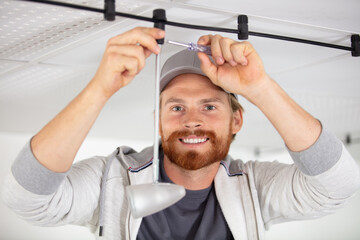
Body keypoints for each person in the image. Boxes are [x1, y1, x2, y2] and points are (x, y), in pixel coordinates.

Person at [2, 27, 360, 240]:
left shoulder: (253, 185)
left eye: (210, 106)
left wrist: (260, 87)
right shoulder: (111, 180)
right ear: (158, 121)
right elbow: (24, 198)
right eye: (176, 107)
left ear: (237, 121)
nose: (191, 121)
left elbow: (339, 185)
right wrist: (100, 88)